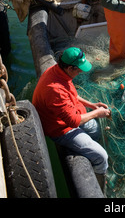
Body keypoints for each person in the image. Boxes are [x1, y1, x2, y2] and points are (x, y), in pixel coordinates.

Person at [32, 47, 110, 192]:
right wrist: (97, 113)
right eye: (79, 69)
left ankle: (90, 155)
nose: (81, 72)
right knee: (102, 157)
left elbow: (71, 93)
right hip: (61, 130)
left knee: (95, 128)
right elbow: (74, 122)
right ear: (69, 68)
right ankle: (100, 189)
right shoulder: (54, 89)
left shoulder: (58, 71)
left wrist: (91, 105)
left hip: (71, 116)